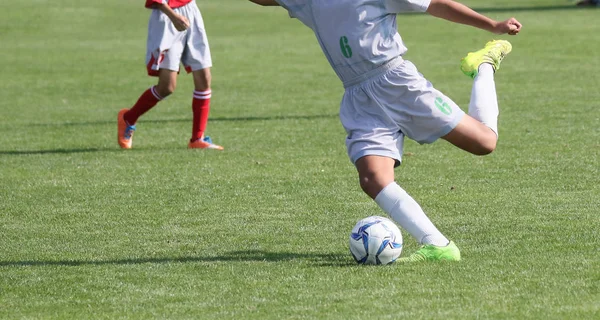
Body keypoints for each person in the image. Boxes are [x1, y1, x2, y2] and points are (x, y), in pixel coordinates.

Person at [247, 0, 521, 262]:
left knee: (485, 142)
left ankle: (483, 65)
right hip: (358, 96)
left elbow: (436, 4)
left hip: (397, 83)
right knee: (373, 178)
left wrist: (493, 25)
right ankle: (438, 245)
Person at [117, 0, 223, 150]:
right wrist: (173, 16)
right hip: (167, 17)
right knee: (167, 87)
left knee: (204, 77)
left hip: (191, 11)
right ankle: (128, 118)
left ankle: (197, 139)